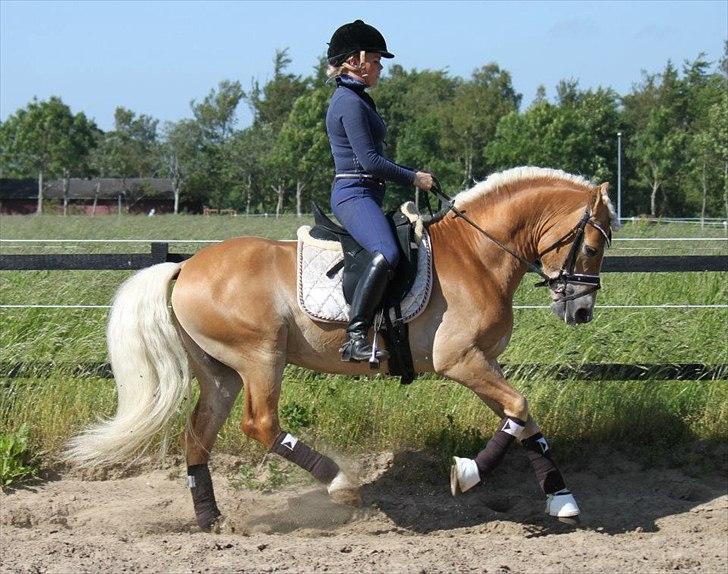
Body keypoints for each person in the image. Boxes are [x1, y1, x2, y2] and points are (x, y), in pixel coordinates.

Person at [325, 19, 435, 363]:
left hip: (367, 194)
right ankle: (356, 335)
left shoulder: (359, 99)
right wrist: (414, 178)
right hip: (353, 193)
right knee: (387, 252)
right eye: (375, 59)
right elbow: (370, 161)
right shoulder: (348, 102)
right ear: (355, 61)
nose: (380, 66)